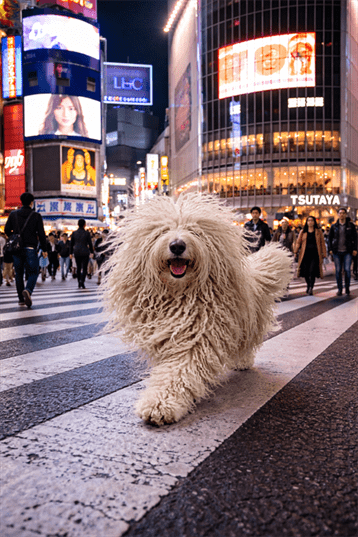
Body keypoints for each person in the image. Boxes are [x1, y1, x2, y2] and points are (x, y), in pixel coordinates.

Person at [4, 192, 47, 307]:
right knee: (33, 272)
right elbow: (42, 234)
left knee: (19, 273)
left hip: (17, 250)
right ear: (32, 202)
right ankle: (28, 290)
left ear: (21, 201)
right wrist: (44, 248)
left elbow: (7, 230)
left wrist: (15, 236)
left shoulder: (13, 214)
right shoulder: (36, 216)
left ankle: (21, 299)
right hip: (30, 248)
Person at [328, 208, 357, 296]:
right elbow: (329, 239)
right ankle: (340, 289)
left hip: (348, 251)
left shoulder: (351, 226)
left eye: (343, 213)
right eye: (340, 213)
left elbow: (356, 238)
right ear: (338, 214)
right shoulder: (334, 226)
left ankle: (347, 288)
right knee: (338, 270)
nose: (342, 215)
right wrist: (330, 249)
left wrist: (355, 249)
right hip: (337, 252)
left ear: (345, 214)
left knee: (347, 270)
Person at [294, 216, 326, 295]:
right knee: (306, 272)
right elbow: (298, 242)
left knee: (312, 272)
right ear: (307, 222)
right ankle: (308, 285)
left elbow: (322, 243)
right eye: (308, 220)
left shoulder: (318, 232)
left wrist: (323, 253)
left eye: (312, 220)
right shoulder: (303, 231)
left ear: (314, 222)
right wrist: (295, 251)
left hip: (315, 255)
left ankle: (311, 287)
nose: (310, 222)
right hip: (305, 254)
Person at [70, 218, 94, 289]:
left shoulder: (74, 233)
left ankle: (78, 282)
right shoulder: (87, 233)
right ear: (84, 225)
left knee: (78, 267)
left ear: (78, 224)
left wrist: (70, 253)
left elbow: (71, 244)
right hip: (85, 252)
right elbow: (90, 243)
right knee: (84, 268)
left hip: (77, 251)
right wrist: (92, 252)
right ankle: (82, 281)